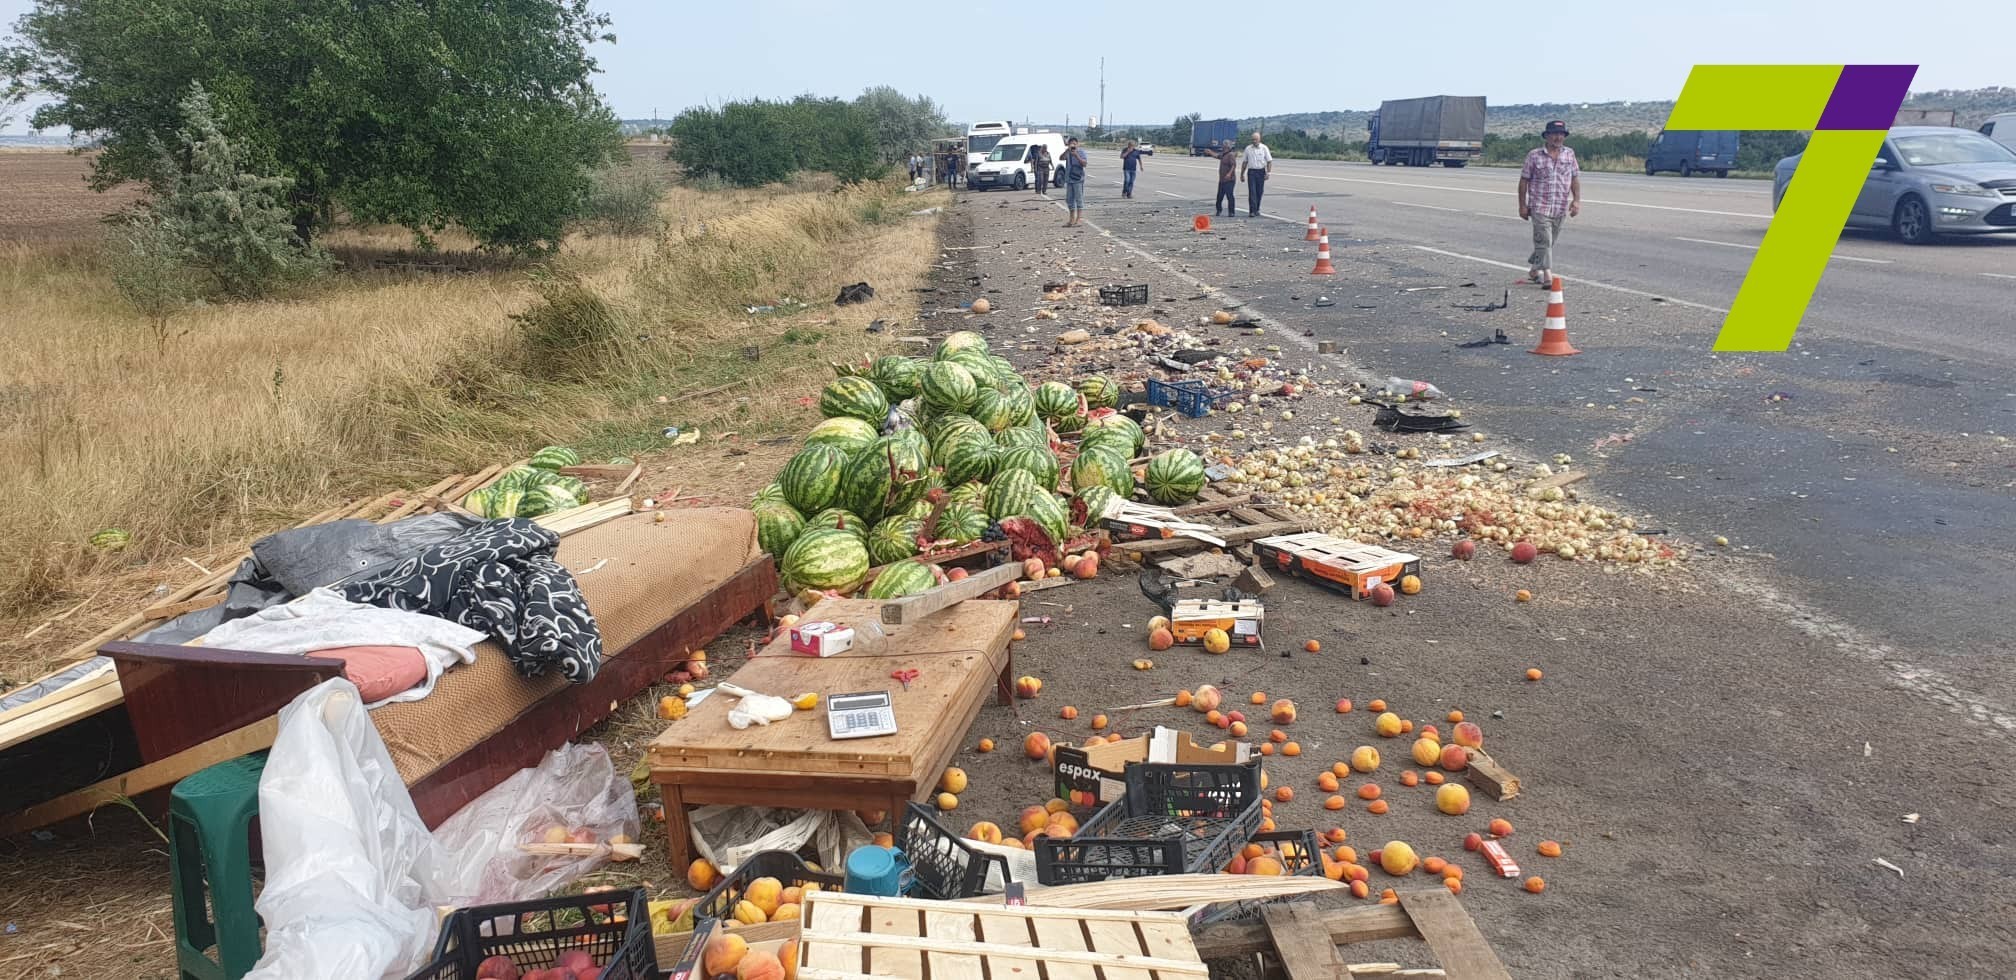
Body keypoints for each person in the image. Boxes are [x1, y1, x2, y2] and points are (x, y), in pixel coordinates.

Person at [1519, 120, 1581, 284]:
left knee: (1547, 242)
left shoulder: (1569, 154)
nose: (1557, 137)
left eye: (1561, 134)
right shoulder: (1534, 155)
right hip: (1540, 206)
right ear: (1546, 136)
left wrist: (1576, 200)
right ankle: (1547, 274)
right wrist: (1522, 205)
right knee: (1544, 240)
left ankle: (1534, 270)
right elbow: (1524, 181)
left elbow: (1574, 178)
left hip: (1559, 207)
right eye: (1554, 134)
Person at [1239, 131, 1273, 216]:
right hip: (1252, 172)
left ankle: (1257, 209)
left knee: (1259, 191)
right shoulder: (1248, 149)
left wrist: (1268, 173)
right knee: (1252, 192)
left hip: (1261, 171)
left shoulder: (1264, 148)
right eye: (1253, 139)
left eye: (1256, 139)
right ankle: (1252, 211)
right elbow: (1245, 162)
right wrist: (1242, 174)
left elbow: (1269, 161)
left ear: (1259, 139)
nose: (1254, 141)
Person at [1061, 136, 1089, 226]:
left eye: (1074, 144)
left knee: (1078, 199)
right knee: (1069, 199)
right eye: (1071, 144)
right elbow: (1061, 158)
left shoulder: (1081, 152)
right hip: (1069, 179)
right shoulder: (1068, 153)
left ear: (1077, 144)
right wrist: (1067, 150)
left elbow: (1084, 164)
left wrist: (1076, 155)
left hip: (1078, 179)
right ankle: (1071, 218)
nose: (1073, 146)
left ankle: (1079, 219)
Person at [1212, 140, 1238, 217]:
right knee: (1219, 196)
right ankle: (1218, 210)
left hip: (1229, 180)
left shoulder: (1230, 155)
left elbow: (1233, 165)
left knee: (1229, 196)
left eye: (1224, 145)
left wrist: (1229, 174)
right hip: (1222, 180)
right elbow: (1217, 156)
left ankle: (1231, 212)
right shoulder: (1224, 154)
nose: (1222, 147)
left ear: (1227, 147)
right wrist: (1210, 152)